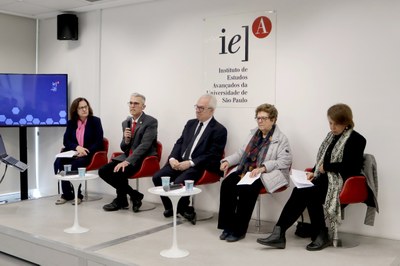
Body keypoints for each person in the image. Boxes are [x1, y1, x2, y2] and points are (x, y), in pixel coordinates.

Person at [257, 103, 366, 251]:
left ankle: (319, 234)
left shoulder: (357, 139)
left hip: (343, 182)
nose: (332, 127)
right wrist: (313, 171)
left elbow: (352, 167)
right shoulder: (331, 137)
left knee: (310, 192)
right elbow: (323, 159)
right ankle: (279, 233)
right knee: (300, 191)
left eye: (336, 124)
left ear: (346, 122)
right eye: (330, 123)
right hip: (324, 179)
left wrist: (326, 168)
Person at [218, 103, 292, 242]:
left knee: (247, 189)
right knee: (227, 184)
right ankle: (227, 226)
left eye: (264, 118)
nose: (260, 121)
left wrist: (263, 167)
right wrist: (227, 161)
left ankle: (239, 230)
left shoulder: (281, 139)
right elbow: (241, 153)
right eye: (258, 118)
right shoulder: (253, 134)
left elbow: (284, 162)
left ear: (273, 119)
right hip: (246, 169)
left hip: (264, 174)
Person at [152, 94, 227, 224]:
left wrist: (190, 163)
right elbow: (180, 143)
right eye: (196, 107)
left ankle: (184, 209)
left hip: (200, 166)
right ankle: (171, 207)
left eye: (201, 108)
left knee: (178, 182)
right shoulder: (191, 123)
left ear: (211, 110)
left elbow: (213, 155)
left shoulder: (219, 130)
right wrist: (172, 159)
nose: (197, 110)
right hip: (180, 161)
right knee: (158, 177)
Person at [99, 93, 158, 212]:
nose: (132, 106)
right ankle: (134, 195)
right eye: (130, 103)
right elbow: (123, 147)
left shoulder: (150, 122)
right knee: (103, 171)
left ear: (143, 107)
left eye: (136, 103)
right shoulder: (125, 122)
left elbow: (145, 146)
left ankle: (121, 200)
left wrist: (127, 161)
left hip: (143, 159)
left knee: (119, 172)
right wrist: (126, 140)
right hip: (128, 156)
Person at [54, 97, 104, 205]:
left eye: (85, 107)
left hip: (89, 154)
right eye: (81, 108)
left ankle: (78, 195)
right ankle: (67, 194)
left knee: (76, 164)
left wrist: (85, 151)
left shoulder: (95, 121)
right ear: (75, 110)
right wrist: (77, 147)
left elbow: (99, 142)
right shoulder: (72, 123)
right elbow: (66, 140)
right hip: (74, 152)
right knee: (59, 162)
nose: (84, 110)